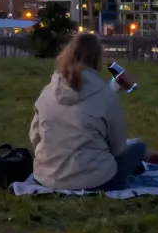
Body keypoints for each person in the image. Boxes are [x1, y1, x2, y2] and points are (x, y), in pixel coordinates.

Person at [28, 33, 147, 191]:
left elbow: (35, 137)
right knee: (138, 146)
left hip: (46, 178)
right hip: (96, 181)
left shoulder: (47, 92)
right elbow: (118, 149)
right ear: (97, 58)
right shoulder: (106, 95)